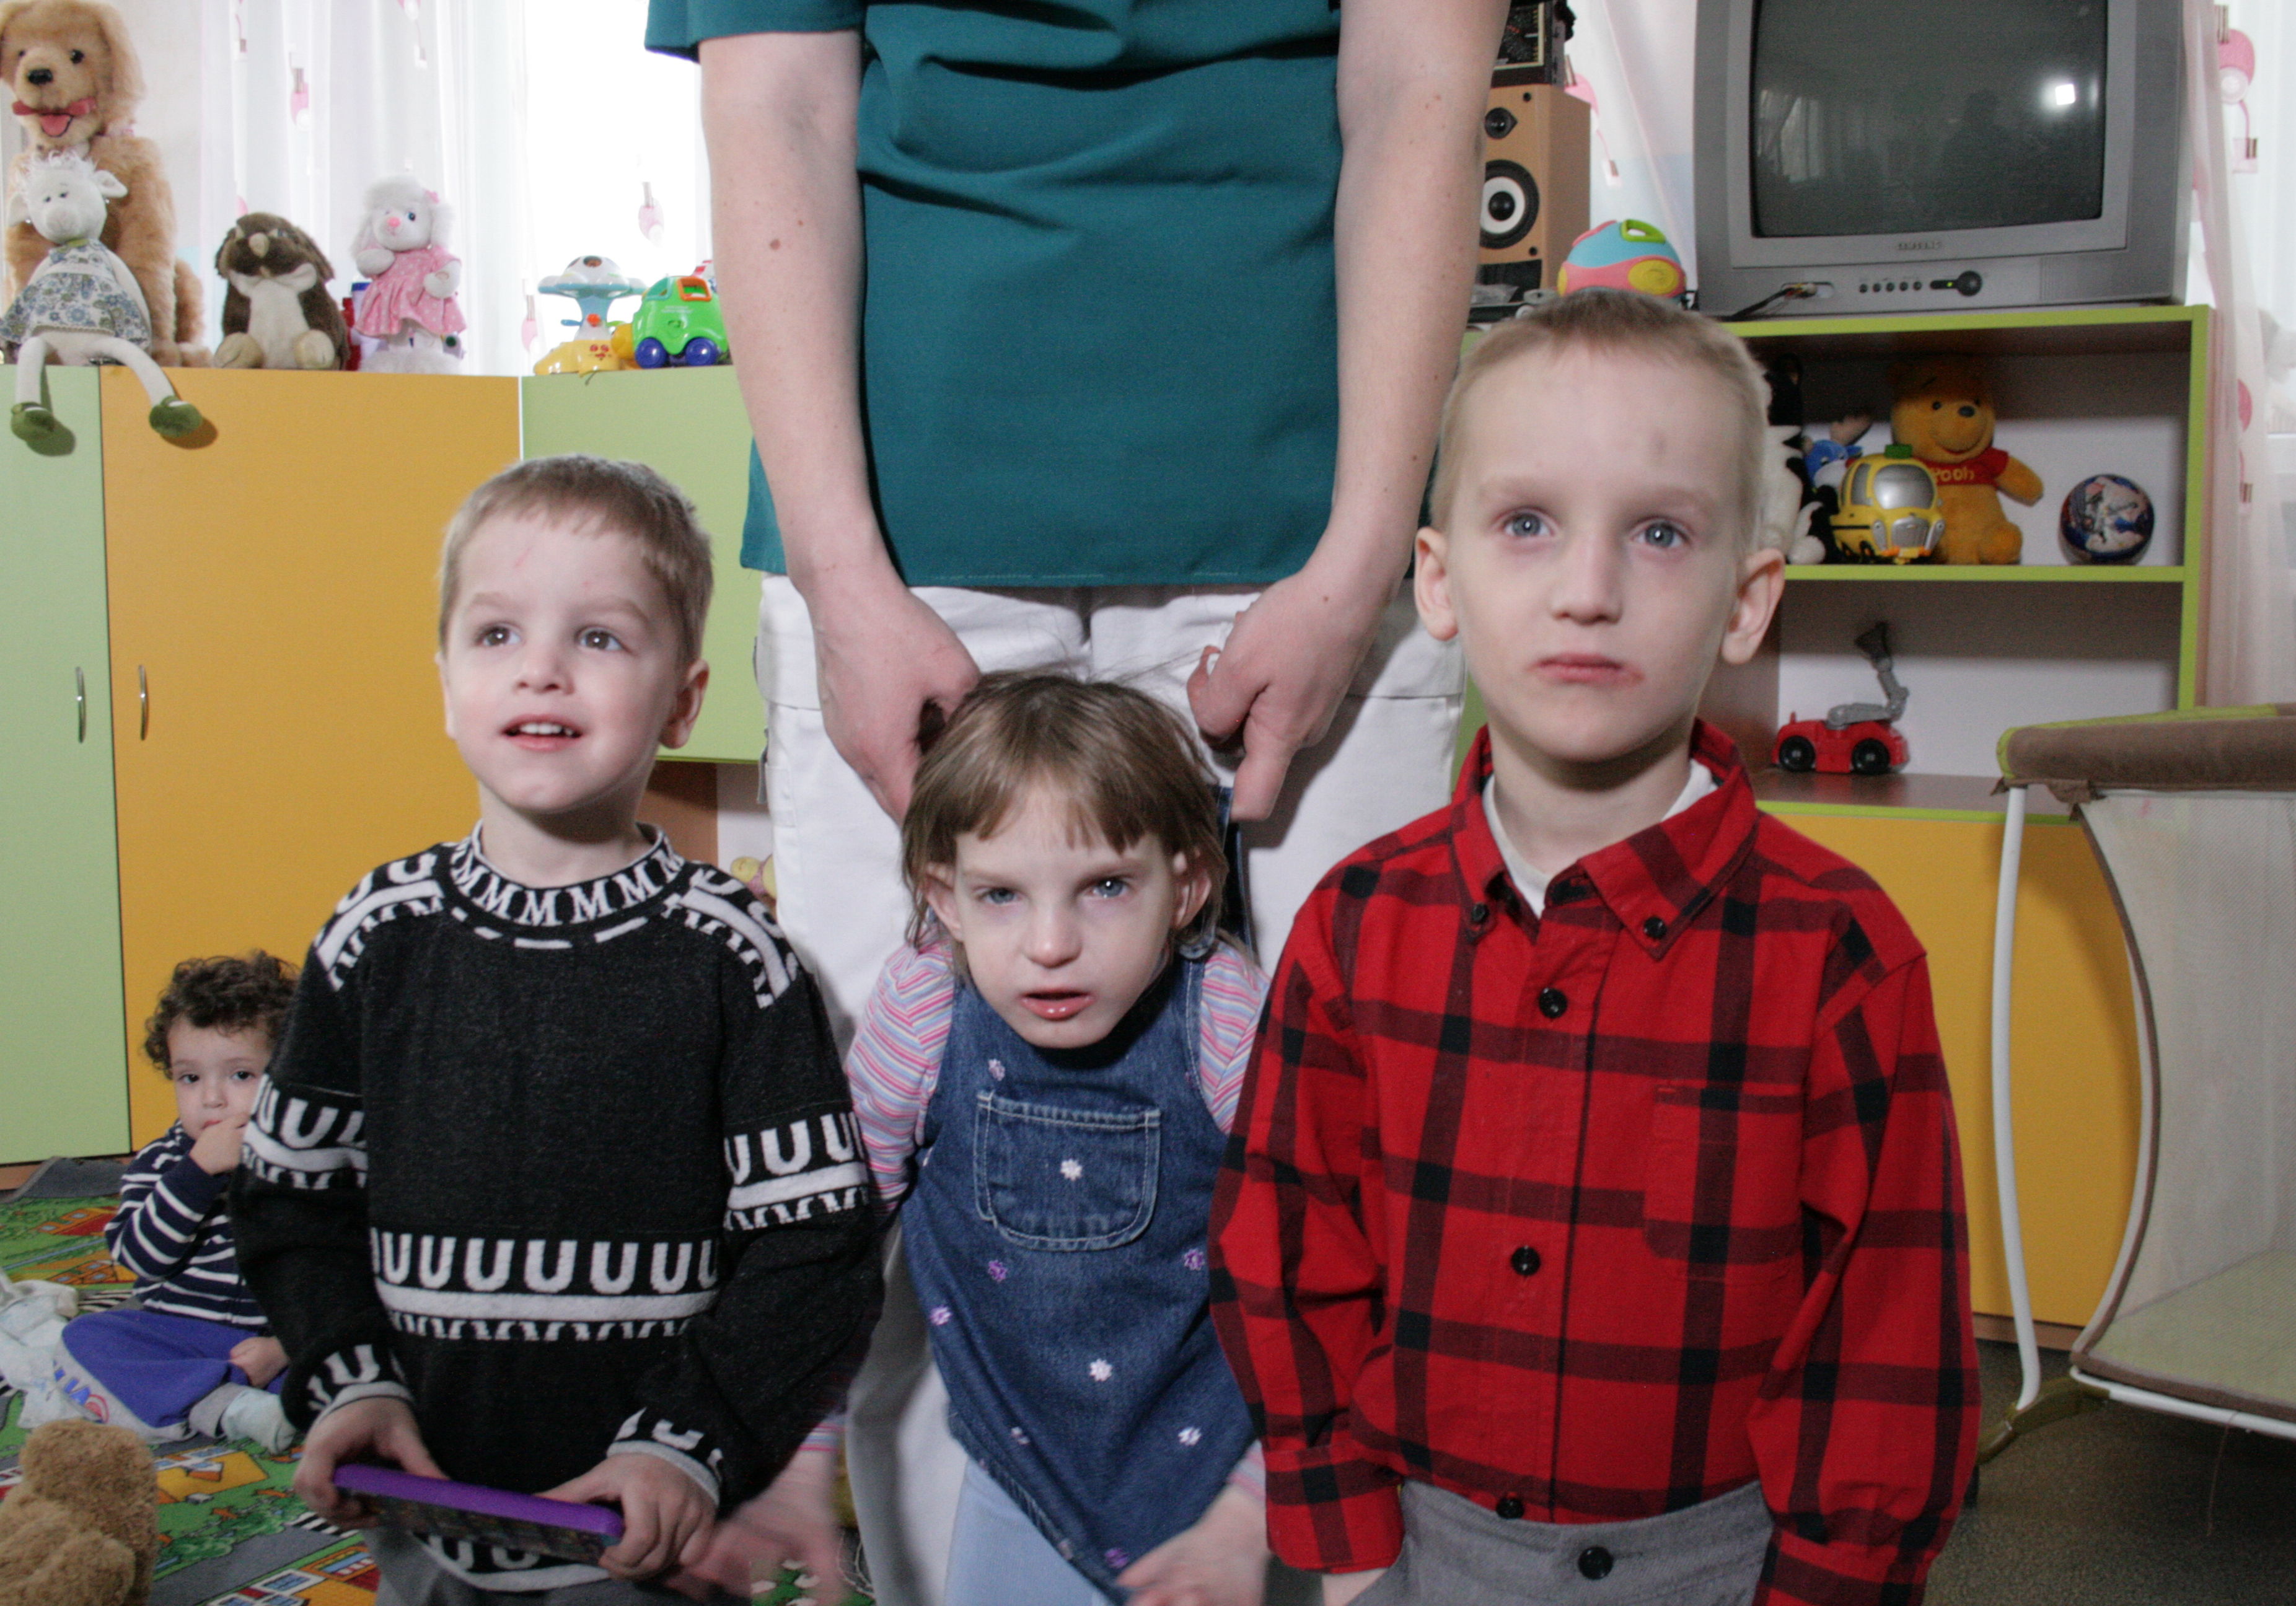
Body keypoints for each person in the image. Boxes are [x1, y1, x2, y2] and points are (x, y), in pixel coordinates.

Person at [641, 8, 1502, 1597]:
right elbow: (774, 110)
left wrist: (1359, 560)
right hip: (905, 538)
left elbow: (1418, 91)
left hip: (1309, 521)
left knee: (1363, 1171)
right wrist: (841, 580)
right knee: (879, 1178)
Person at [1210, 290, 1982, 1606]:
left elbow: (1884, 1332)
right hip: (1421, 1549)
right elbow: (1287, 1244)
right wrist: (1347, 1545)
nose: (1586, 592)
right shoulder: (1353, 926)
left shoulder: (1840, 952)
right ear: (1437, 581)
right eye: (1526, 523)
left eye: (1659, 533)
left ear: (1747, 602)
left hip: (1720, 1564)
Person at [229, 455, 882, 1604]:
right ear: (445, 683)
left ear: (682, 701)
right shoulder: (375, 934)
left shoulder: (733, 955)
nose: (541, 667)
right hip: (423, 1503)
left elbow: (815, 1246)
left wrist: (689, 1437)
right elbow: (292, 1200)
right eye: (496, 634)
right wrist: (350, 1380)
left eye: (598, 638)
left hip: (650, 1523)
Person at [692, 672, 1276, 1606]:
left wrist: (1251, 1510)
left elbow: (1323, 1262)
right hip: (1021, 1483)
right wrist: (799, 1464)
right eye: (1001, 894)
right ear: (947, 898)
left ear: (1188, 887)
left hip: (1212, 1488)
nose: (1050, 943)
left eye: (1107, 887)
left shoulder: (1224, 1018)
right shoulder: (925, 1008)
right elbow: (832, 1246)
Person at [51, 952, 299, 1450]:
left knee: (393, 1355)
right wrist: (196, 1174)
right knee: (83, 1340)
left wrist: (287, 1347)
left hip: (282, 1345)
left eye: (240, 1075)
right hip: (179, 1336)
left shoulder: (312, 1160)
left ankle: (273, 1404)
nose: (211, 1098)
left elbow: (349, 1272)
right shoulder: (163, 1162)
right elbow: (139, 1256)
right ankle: (226, 1407)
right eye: (190, 1078)